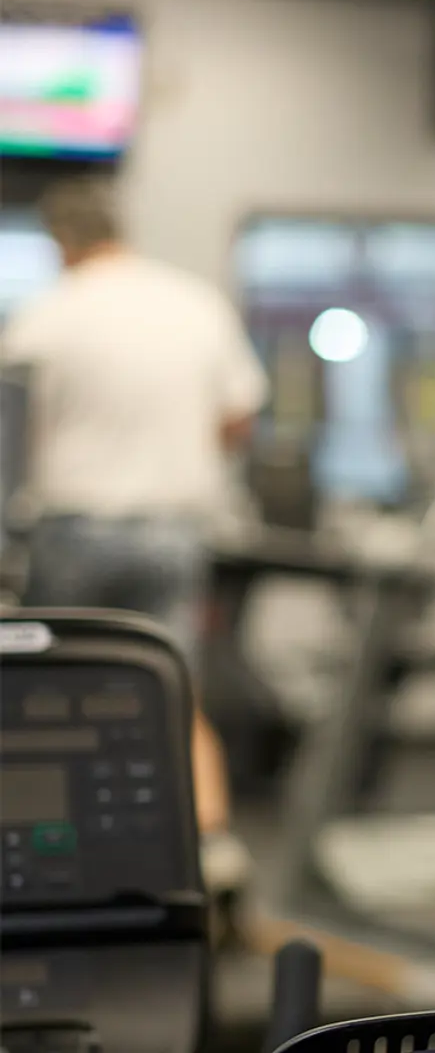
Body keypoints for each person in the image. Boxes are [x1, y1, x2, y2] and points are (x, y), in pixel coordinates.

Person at [2, 175, 267, 839]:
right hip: (173, 532)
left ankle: (72, 843)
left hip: (75, 530)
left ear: (62, 243)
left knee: (52, 696)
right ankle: (207, 846)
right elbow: (239, 420)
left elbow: (13, 430)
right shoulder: (194, 303)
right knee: (171, 690)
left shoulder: (49, 313)